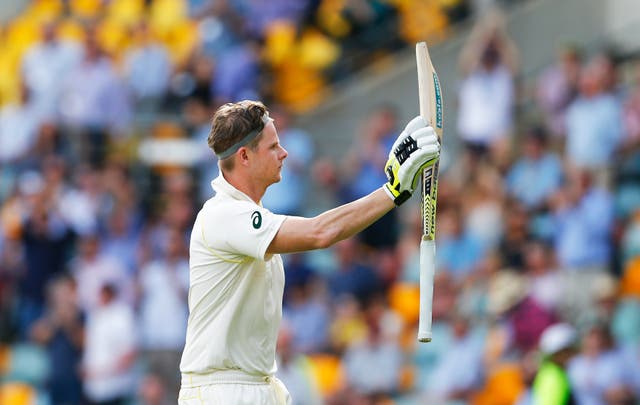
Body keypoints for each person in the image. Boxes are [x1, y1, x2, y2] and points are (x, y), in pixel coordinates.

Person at [178, 100, 440, 404]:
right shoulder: (223, 215)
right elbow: (320, 232)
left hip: (257, 386)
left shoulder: (244, 214)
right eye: (273, 146)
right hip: (222, 392)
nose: (284, 153)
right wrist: (393, 190)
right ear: (245, 156)